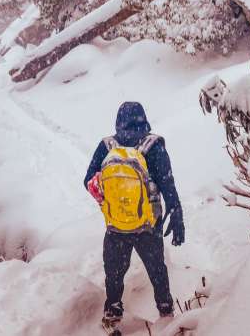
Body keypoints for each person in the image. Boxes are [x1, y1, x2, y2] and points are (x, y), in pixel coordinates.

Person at [83, 101, 184, 334]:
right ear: (144, 119)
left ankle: (113, 313)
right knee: (157, 269)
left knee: (114, 272)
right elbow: (167, 184)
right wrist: (176, 212)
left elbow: (88, 180)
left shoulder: (107, 146)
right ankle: (166, 313)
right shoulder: (153, 146)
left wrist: (109, 199)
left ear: (118, 121)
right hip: (148, 225)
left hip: (116, 225)